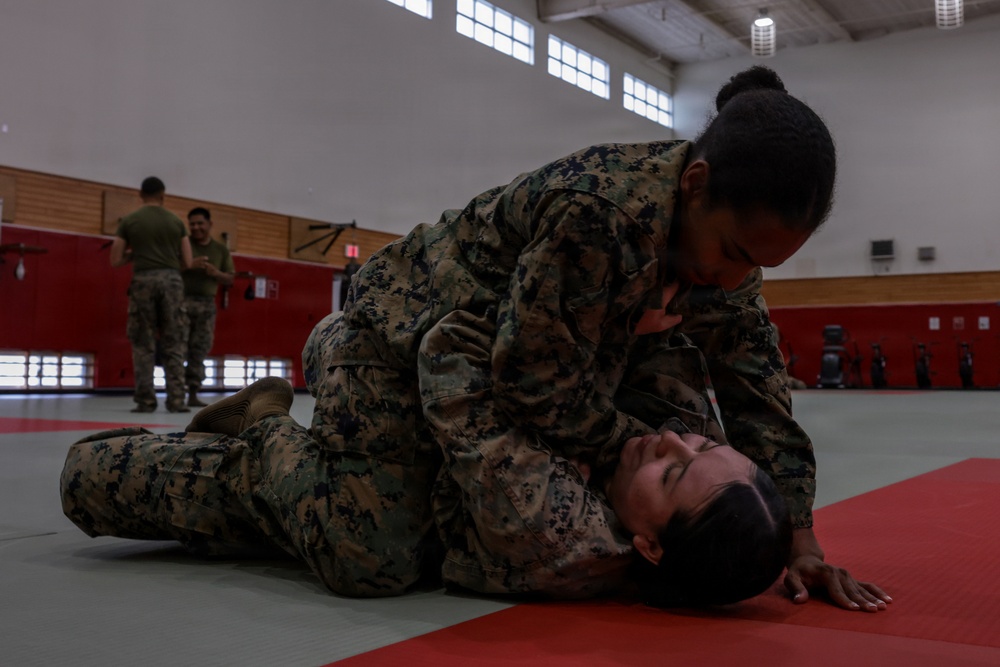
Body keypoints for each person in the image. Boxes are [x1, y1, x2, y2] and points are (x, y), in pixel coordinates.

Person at [63, 66, 888, 610]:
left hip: (511, 368)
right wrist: (632, 452)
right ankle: (261, 441)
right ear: (697, 187)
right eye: (735, 255)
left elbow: (756, 387)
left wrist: (795, 536)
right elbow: (527, 381)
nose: (736, 280)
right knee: (374, 553)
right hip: (401, 338)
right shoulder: (602, 215)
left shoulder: (721, 257)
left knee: (688, 417)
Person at [110, 177, 193, 413]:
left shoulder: (130, 221)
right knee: (174, 342)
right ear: (163, 194)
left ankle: (145, 401)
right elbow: (187, 261)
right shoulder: (176, 222)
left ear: (140, 194)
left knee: (142, 343)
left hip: (143, 282)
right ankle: (177, 400)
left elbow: (115, 260)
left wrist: (134, 255)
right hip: (172, 282)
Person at [182, 207, 235, 407]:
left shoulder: (220, 250)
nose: (196, 228)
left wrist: (215, 273)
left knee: (199, 348)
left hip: (205, 305)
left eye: (199, 223)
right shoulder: (183, 244)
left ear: (209, 224)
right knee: (177, 348)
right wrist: (189, 264)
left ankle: (193, 392)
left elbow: (230, 278)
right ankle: (176, 394)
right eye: (192, 224)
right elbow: (169, 270)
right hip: (181, 302)